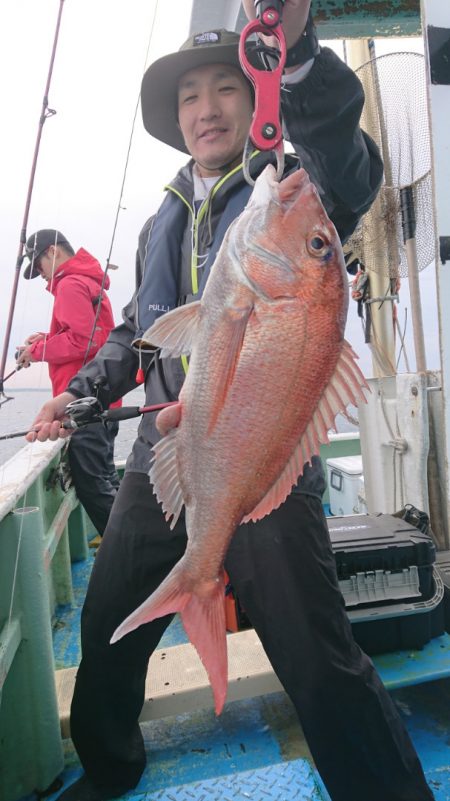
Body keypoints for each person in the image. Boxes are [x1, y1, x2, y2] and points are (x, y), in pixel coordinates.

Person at [27, 4, 435, 800]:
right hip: (166, 455)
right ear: (176, 120)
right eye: (189, 97)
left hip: (264, 453)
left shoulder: (290, 188)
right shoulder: (161, 221)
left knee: (318, 657)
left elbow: (351, 170)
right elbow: (144, 334)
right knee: (108, 617)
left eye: (225, 88)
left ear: (257, 101)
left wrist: (302, 58)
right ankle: (111, 765)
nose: (206, 108)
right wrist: (78, 393)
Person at [19, 229, 120, 537]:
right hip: (101, 398)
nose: (39, 274)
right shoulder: (85, 281)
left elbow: (83, 342)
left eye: (38, 265)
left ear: (52, 251)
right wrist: (48, 339)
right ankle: (132, 545)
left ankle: (128, 553)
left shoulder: (70, 284)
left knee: (94, 487)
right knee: (105, 479)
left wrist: (35, 351)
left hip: (83, 403)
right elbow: (93, 336)